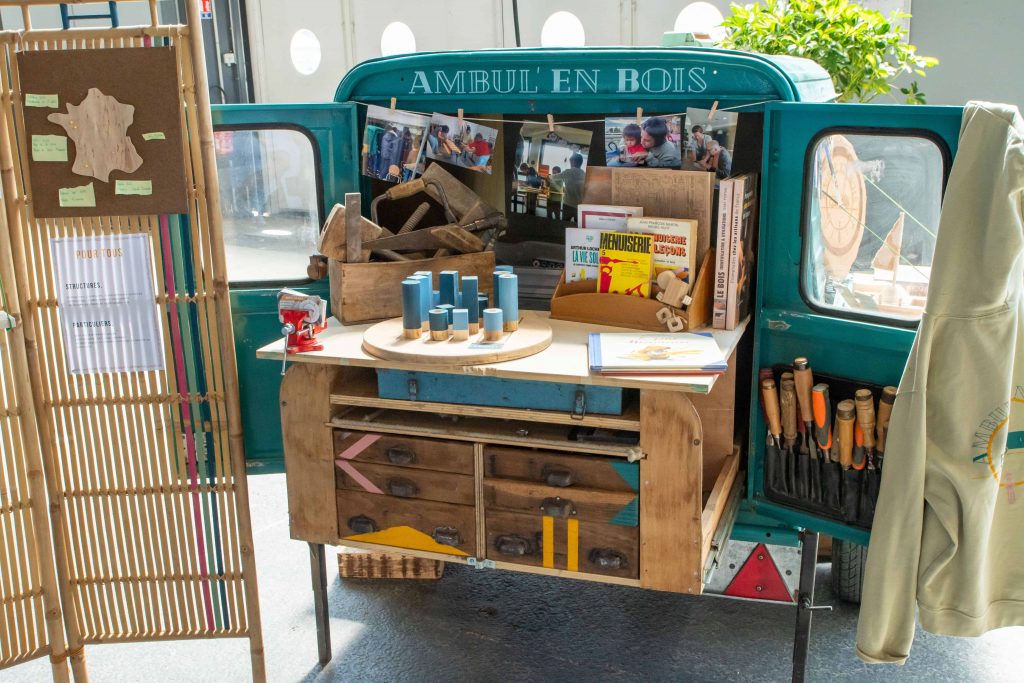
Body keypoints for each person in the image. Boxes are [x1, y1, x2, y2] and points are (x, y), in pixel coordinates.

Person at [548, 152, 586, 223]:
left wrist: (549, 176)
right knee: (577, 225)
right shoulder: (585, 174)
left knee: (564, 223)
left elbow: (554, 177)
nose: (570, 163)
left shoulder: (568, 172)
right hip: (579, 206)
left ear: (573, 162)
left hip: (568, 204)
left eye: (570, 162)